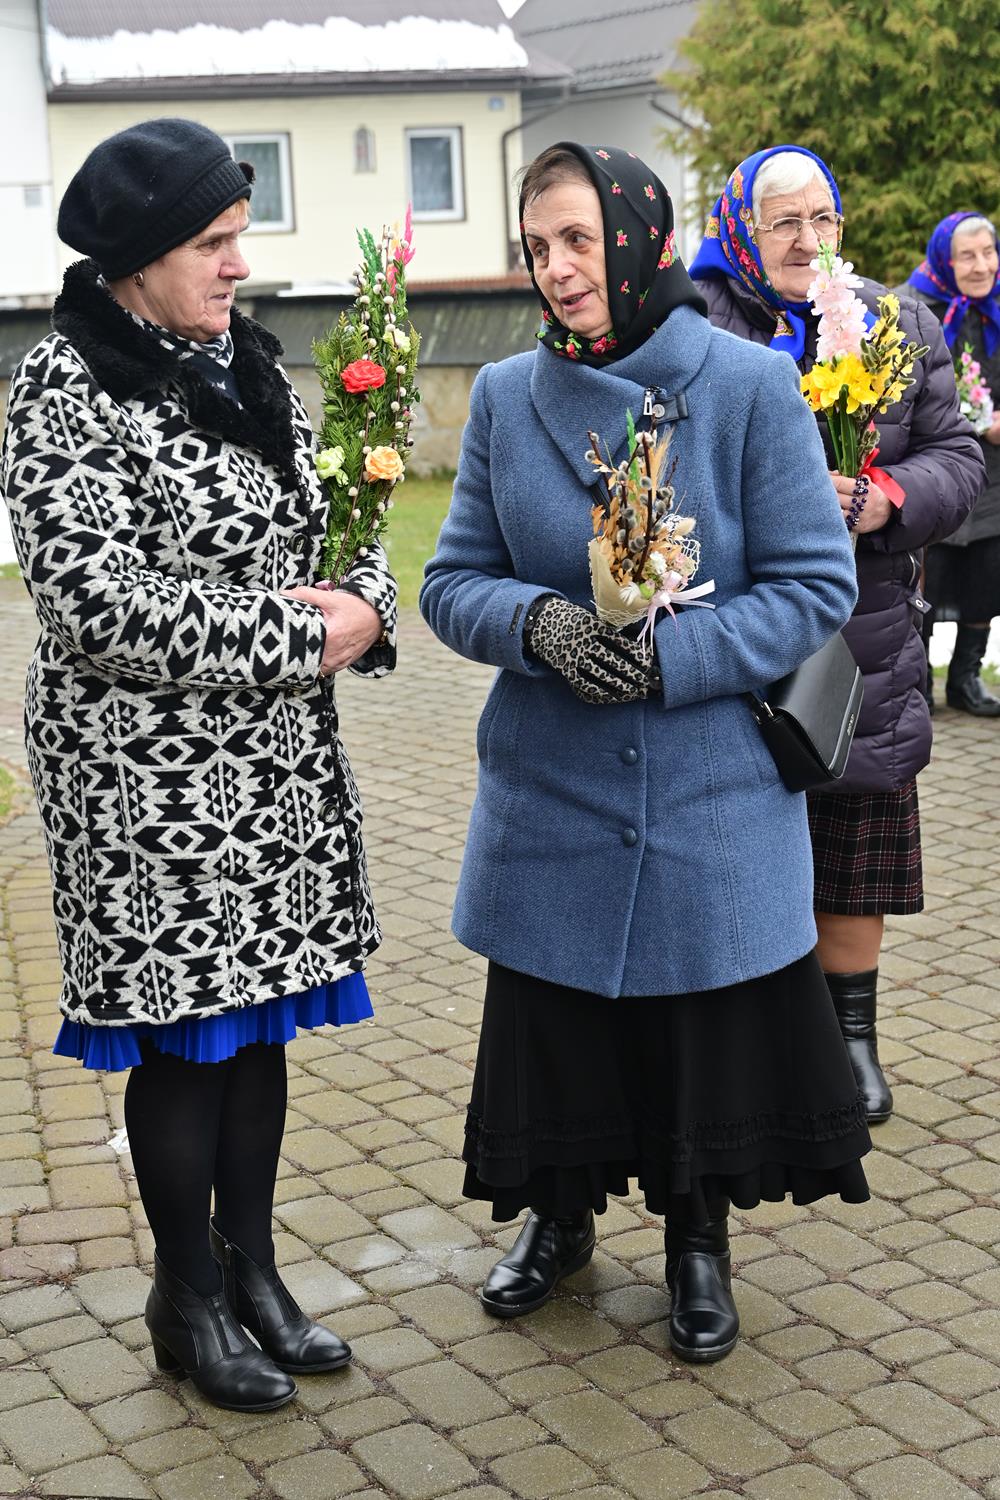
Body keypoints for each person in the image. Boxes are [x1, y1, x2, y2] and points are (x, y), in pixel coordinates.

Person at [420, 141, 873, 1366]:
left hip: (706, 789)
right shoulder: (506, 396)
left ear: (637, 237)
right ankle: (557, 1217)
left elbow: (813, 587)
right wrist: (540, 625)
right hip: (553, 789)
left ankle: (695, 1243)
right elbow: (450, 581)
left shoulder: (747, 385)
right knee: (557, 1024)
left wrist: (676, 658)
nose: (557, 269)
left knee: (696, 1034)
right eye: (536, 247)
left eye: (577, 239)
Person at [0, 118, 397, 1413]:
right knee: (187, 1040)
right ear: (135, 259)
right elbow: (93, 601)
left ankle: (253, 1273)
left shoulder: (252, 365)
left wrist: (369, 604)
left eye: (239, 237)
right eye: (212, 243)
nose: (239, 263)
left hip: (271, 772)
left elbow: (344, 522)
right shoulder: (64, 384)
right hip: (145, 782)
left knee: (261, 1021)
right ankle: (187, 1295)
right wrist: (301, 634)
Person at [690, 146, 984, 1126]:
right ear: (741, 229)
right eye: (783, 221)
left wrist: (883, 497)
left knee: (853, 840)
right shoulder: (695, 324)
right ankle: (753, 1045)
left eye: (823, 219)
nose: (807, 239)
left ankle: (848, 1037)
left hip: (864, 632)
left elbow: (954, 457)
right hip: (733, 632)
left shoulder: (896, 322)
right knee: (737, 842)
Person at [906, 212, 1000, 715]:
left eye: (989, 252)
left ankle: (965, 679)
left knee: (987, 574)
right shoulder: (914, 307)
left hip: (994, 475)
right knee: (928, 579)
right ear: (945, 259)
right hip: (937, 465)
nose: (982, 265)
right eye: (968, 255)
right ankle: (917, 684)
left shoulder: (997, 307)